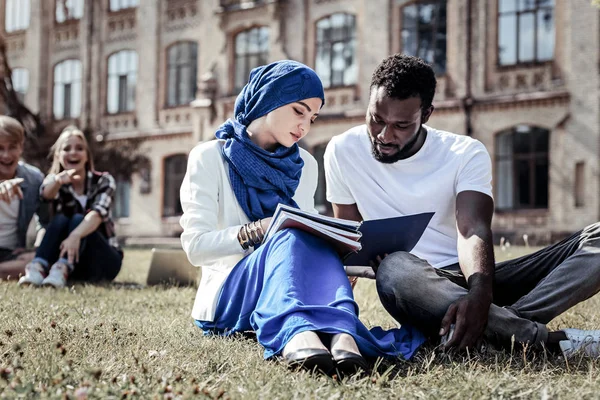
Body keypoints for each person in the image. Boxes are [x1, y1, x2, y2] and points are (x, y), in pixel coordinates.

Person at [324, 53, 600, 359]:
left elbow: (472, 229)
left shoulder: (464, 152)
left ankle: (494, 327)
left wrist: (480, 297)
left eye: (401, 125)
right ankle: (540, 340)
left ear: (426, 114)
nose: (384, 135)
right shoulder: (342, 150)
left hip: (480, 279)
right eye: (376, 119)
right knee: (396, 268)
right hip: (419, 289)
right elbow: (348, 237)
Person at [179, 60, 425, 375]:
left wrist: (345, 257)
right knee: (290, 233)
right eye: (299, 111)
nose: (305, 126)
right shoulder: (209, 156)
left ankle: (338, 334)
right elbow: (195, 247)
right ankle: (300, 331)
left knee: (304, 233)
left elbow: (309, 233)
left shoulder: (305, 165)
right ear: (269, 99)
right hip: (232, 293)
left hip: (289, 280)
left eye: (313, 117)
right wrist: (259, 230)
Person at [18, 126, 123, 288]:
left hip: (103, 259)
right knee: (60, 218)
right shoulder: (53, 182)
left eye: (79, 148)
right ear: (59, 156)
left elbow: (96, 215)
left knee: (78, 218)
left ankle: (62, 267)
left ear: (87, 156)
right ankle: (39, 267)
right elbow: (45, 195)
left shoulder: (104, 181)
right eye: (67, 149)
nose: (73, 152)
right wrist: (59, 181)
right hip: (71, 259)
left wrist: (75, 235)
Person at [0, 116, 46, 280]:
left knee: (41, 259)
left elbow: (45, 221)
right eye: (0, 148)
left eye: (12, 147)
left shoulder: (33, 179)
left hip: (11, 254)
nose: (6, 155)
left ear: (21, 147)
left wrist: (37, 247)